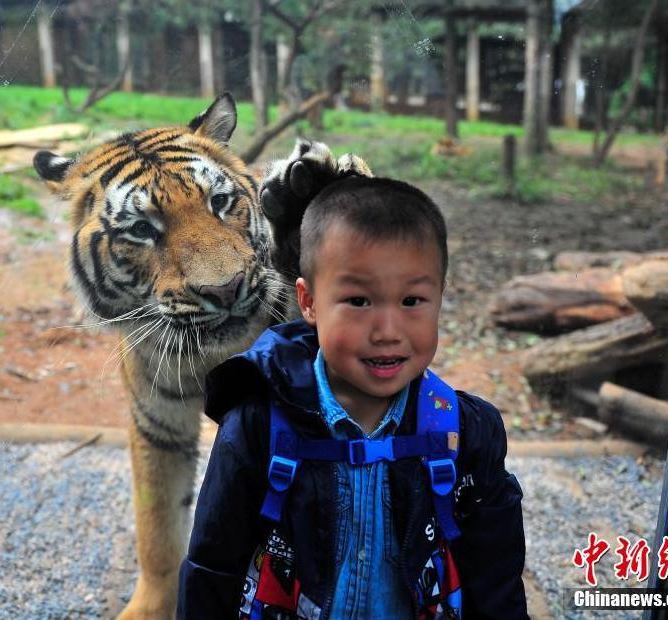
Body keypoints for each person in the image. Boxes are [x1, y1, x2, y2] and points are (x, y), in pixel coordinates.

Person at [178, 175, 527, 619]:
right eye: (359, 300)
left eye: (413, 300)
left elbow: (495, 577)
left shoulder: (465, 433)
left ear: (441, 296)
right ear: (309, 302)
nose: (387, 331)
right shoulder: (257, 426)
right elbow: (212, 567)